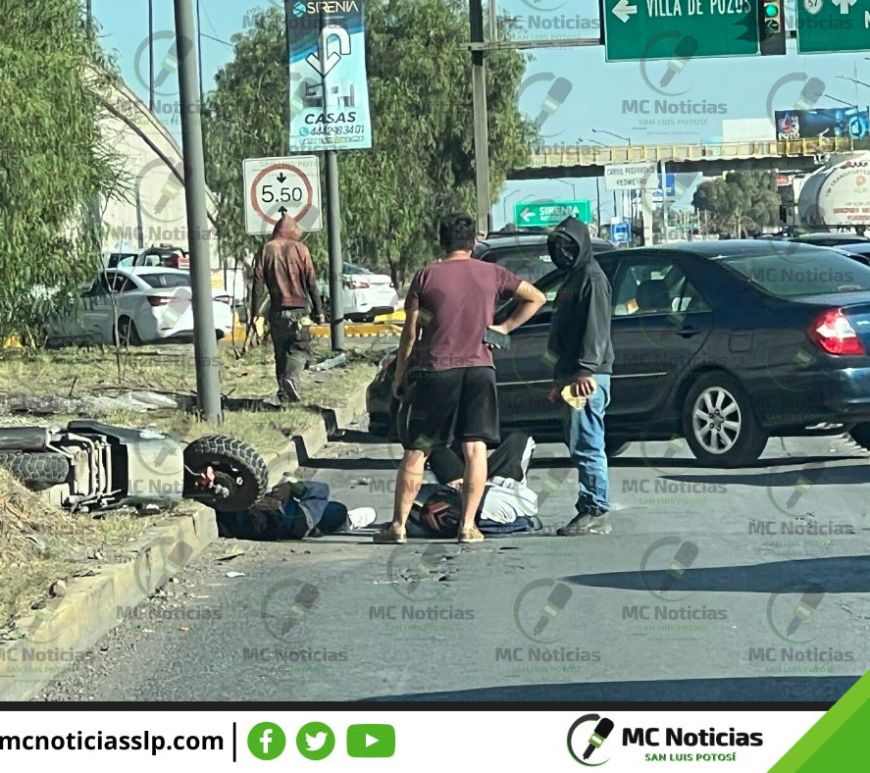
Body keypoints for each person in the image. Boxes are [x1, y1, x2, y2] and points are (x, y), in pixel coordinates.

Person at [374, 213, 545, 545]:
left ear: (442, 241)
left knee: (418, 449)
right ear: (473, 243)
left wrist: (400, 375)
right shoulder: (493, 273)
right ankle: (467, 526)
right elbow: (537, 297)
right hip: (480, 370)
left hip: (436, 371)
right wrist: (503, 328)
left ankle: (398, 526)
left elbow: (410, 333)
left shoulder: (426, 276)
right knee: (475, 448)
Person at [545, 216, 615, 537]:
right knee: (579, 441)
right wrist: (559, 379)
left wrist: (585, 369)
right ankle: (591, 504)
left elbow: (595, 329)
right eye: (558, 246)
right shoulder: (572, 279)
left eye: (569, 246)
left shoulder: (592, 278)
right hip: (573, 376)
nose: (563, 252)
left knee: (588, 443)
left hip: (587, 377)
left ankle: (595, 509)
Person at [406, 431, 541, 538]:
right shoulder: (514, 507)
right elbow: (529, 519)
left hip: (461, 486)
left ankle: (428, 432)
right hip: (498, 484)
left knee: (430, 442)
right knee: (520, 438)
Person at [251, 215, 326, 405]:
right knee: (300, 348)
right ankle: (291, 380)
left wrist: (255, 313)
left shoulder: (266, 250)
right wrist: (319, 311)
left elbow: (257, 284)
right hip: (299, 310)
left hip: (276, 311)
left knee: (281, 352)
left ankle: (284, 396)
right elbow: (311, 282)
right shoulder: (301, 249)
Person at [217, 479, 376, 541]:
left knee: (328, 505)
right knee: (332, 503)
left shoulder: (229, 515)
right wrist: (289, 490)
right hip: (295, 519)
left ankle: (335, 523)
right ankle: (346, 521)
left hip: (287, 518)